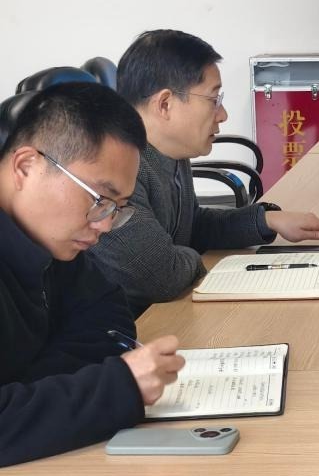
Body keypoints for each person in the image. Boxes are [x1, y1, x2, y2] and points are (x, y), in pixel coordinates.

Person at [89, 30, 319, 316]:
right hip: (132, 330)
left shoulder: (169, 153)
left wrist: (267, 220)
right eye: (213, 100)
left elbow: (191, 227)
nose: (223, 114)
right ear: (165, 104)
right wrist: (192, 258)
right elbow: (162, 277)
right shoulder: (117, 174)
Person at [0, 83, 184, 466]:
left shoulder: (50, 239)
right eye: (100, 198)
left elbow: (109, 316)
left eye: (117, 207)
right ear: (26, 167)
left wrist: (31, 391)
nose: (105, 225)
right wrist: (115, 387)